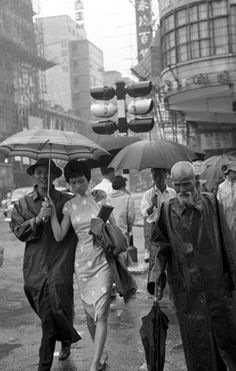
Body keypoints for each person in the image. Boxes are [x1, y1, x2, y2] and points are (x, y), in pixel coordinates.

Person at [148, 161, 236, 371]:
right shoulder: (167, 209)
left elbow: (226, 241)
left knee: (225, 340)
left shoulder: (211, 203)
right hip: (186, 287)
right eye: (177, 185)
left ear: (196, 181)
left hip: (215, 283)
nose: (181, 190)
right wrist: (156, 279)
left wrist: (232, 276)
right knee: (197, 347)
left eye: (186, 184)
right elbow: (160, 246)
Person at [10, 158, 80, 371]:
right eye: (39, 172)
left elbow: (84, 214)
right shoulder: (23, 203)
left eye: (47, 172)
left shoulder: (67, 201)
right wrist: (39, 219)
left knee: (54, 314)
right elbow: (19, 231)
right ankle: (66, 335)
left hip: (61, 265)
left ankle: (44, 365)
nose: (43, 176)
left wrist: (95, 198)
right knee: (47, 314)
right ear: (33, 175)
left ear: (55, 175)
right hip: (36, 268)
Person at [49, 160, 115, 371]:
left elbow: (114, 227)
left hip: (102, 259)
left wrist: (106, 207)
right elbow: (59, 235)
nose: (78, 185)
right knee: (89, 315)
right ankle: (101, 352)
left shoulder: (99, 199)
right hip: (82, 263)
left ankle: (94, 363)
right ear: (68, 183)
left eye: (82, 181)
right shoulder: (69, 206)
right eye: (74, 182)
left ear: (89, 179)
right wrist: (51, 213)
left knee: (101, 312)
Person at [140, 168, 176, 263]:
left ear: (165, 175)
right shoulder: (148, 194)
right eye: (155, 176)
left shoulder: (172, 192)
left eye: (160, 175)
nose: (157, 178)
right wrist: (152, 206)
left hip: (169, 226)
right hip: (155, 228)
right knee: (156, 259)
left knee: (171, 255)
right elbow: (144, 213)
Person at [109, 175, 135, 243]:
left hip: (108, 237)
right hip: (122, 236)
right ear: (123, 186)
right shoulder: (128, 199)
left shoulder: (106, 199)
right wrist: (128, 230)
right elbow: (130, 218)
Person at [217, 160, 236, 241]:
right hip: (226, 217)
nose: (235, 174)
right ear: (228, 172)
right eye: (233, 172)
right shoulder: (221, 187)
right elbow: (219, 203)